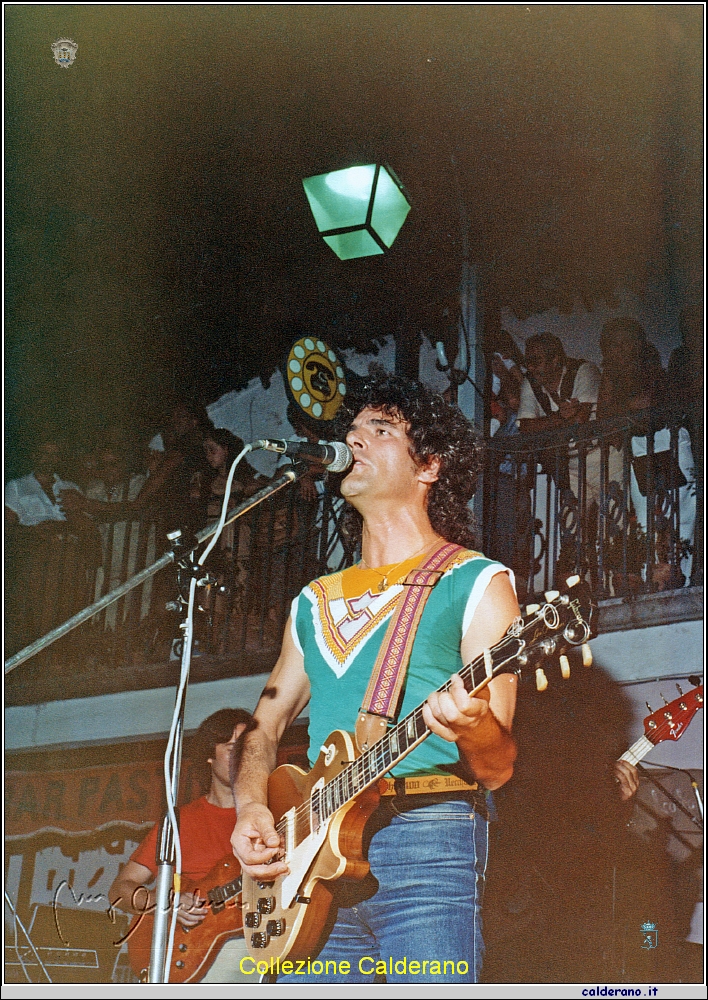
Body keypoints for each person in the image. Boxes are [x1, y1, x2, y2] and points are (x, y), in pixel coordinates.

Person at [230, 374, 520, 984]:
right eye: (352, 430)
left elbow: (496, 768)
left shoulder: (476, 582)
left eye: (380, 429)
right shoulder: (314, 600)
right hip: (308, 860)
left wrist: (473, 724)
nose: (354, 440)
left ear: (430, 466)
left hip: (429, 839)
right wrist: (251, 805)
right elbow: (265, 724)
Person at [109, 708, 253, 983]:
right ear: (209, 755)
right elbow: (119, 890)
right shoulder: (179, 822)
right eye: (234, 747)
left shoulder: (274, 815)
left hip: (250, 940)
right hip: (184, 953)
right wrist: (165, 903)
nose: (245, 757)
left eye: (251, 749)